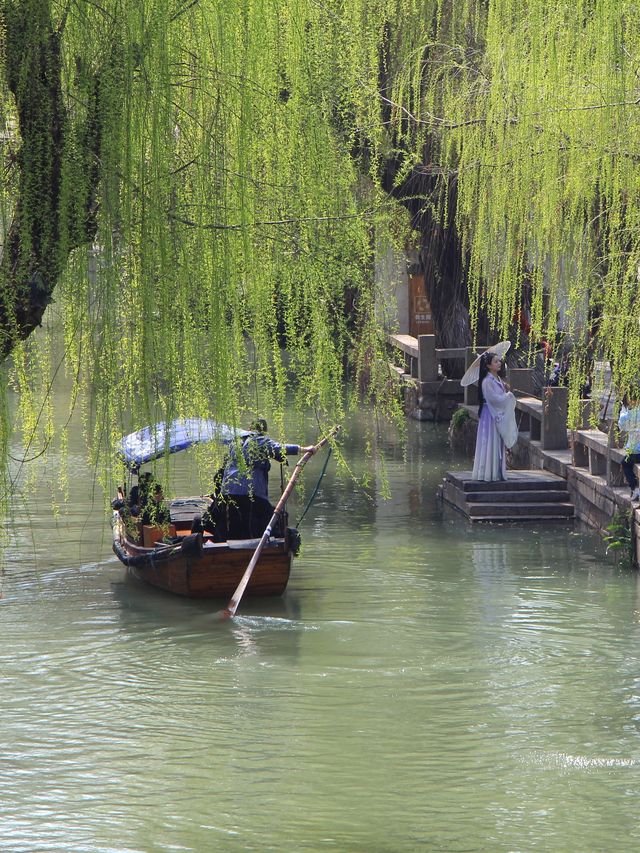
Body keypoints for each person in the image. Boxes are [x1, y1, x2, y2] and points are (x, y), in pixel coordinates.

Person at [198, 419, 315, 539]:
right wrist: (305, 449)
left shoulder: (235, 443)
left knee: (219, 518)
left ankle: (202, 535)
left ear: (249, 429)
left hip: (228, 493)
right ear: (264, 432)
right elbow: (279, 448)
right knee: (275, 519)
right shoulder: (260, 440)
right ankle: (275, 545)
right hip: (251, 494)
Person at [472, 351, 518, 482]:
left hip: (495, 414)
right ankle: (488, 473)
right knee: (489, 442)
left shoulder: (497, 379)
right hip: (489, 415)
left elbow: (499, 397)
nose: (499, 363)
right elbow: (494, 400)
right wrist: (507, 396)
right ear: (488, 365)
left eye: (499, 361)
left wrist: (505, 390)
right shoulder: (487, 381)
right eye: (496, 361)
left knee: (497, 442)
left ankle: (497, 472)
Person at [618, 395, 640, 502]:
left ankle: (635, 488)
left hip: (635, 452)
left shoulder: (628, 414)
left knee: (625, 463)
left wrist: (623, 410)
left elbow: (622, 426)